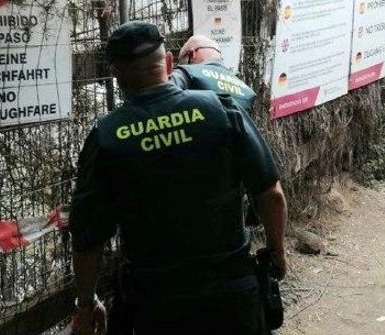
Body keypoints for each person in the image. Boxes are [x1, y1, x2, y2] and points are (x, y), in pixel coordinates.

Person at [69, 21, 288, 335]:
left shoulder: (106, 138)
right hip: (232, 294)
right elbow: (271, 194)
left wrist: (87, 303)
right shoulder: (221, 110)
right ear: (170, 62)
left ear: (116, 76)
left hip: (157, 304)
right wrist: (277, 253)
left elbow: (88, 237)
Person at [171, 35, 257, 112]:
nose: (182, 65)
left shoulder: (186, 72)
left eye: (182, 62)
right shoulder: (248, 92)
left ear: (191, 54)